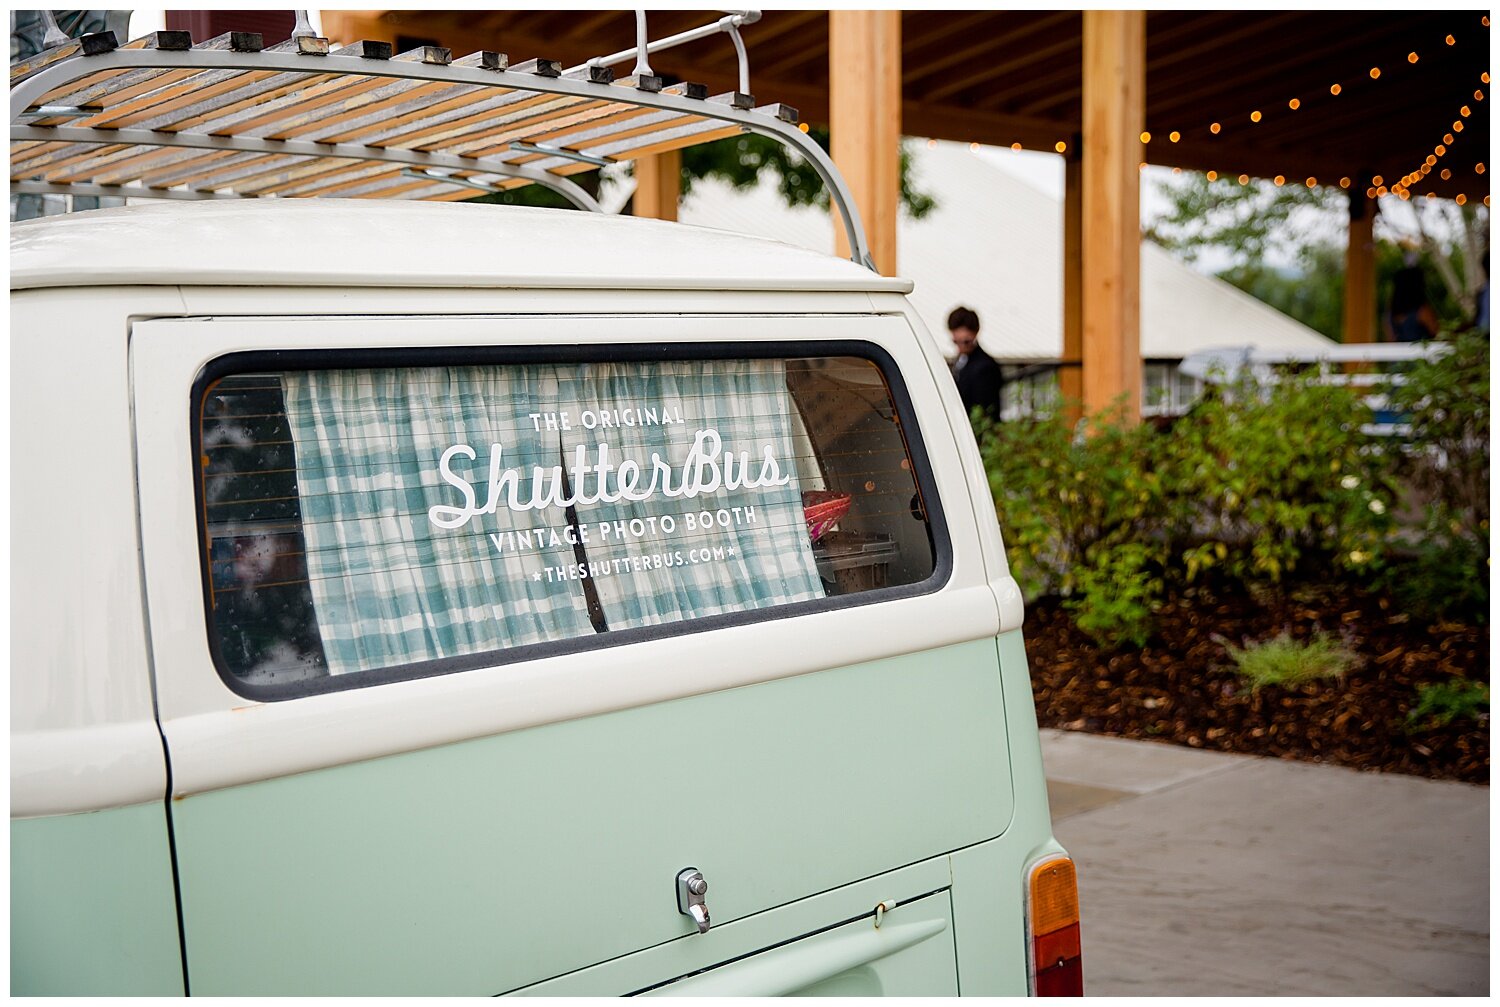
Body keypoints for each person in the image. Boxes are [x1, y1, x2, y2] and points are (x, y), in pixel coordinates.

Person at [947, 305, 1003, 418]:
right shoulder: (960, 361)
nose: (960, 347)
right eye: (956, 342)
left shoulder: (985, 367)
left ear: (976, 333)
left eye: (966, 342)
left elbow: (986, 412)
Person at [1383, 253, 1439, 343]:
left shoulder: (1391, 313)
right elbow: (1439, 335)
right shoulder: (1422, 311)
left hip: (1398, 356)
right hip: (1420, 355)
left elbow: (1390, 339)